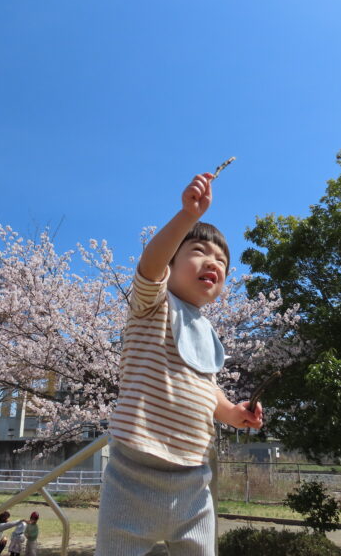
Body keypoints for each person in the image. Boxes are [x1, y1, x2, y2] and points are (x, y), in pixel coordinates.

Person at [95, 173, 264, 556]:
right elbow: (150, 264)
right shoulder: (153, 304)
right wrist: (187, 217)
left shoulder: (205, 330)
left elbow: (206, 387)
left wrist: (233, 412)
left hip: (193, 478)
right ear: (171, 263)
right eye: (199, 251)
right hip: (134, 473)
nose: (213, 262)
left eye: (221, 260)